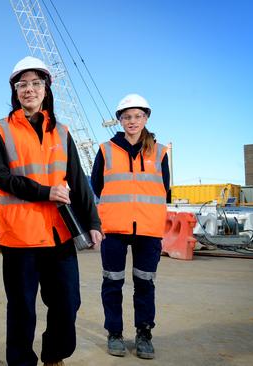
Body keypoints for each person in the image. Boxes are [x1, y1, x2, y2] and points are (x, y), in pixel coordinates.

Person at [0, 56, 103, 366]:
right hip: (19, 237)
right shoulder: (0, 130)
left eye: (36, 83)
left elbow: (78, 182)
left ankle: (54, 355)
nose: (29, 89)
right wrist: (45, 192)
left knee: (68, 302)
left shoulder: (62, 132)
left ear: (46, 89)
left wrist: (92, 222)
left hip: (59, 233)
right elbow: (1, 177)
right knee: (22, 307)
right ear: (14, 90)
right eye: (22, 84)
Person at [91, 94, 170, 360]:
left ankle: (144, 334)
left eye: (137, 116)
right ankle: (114, 333)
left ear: (146, 118)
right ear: (120, 120)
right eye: (126, 117)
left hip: (148, 230)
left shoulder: (159, 152)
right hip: (114, 228)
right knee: (112, 283)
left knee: (145, 284)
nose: (132, 121)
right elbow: (96, 186)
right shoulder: (106, 150)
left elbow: (164, 189)